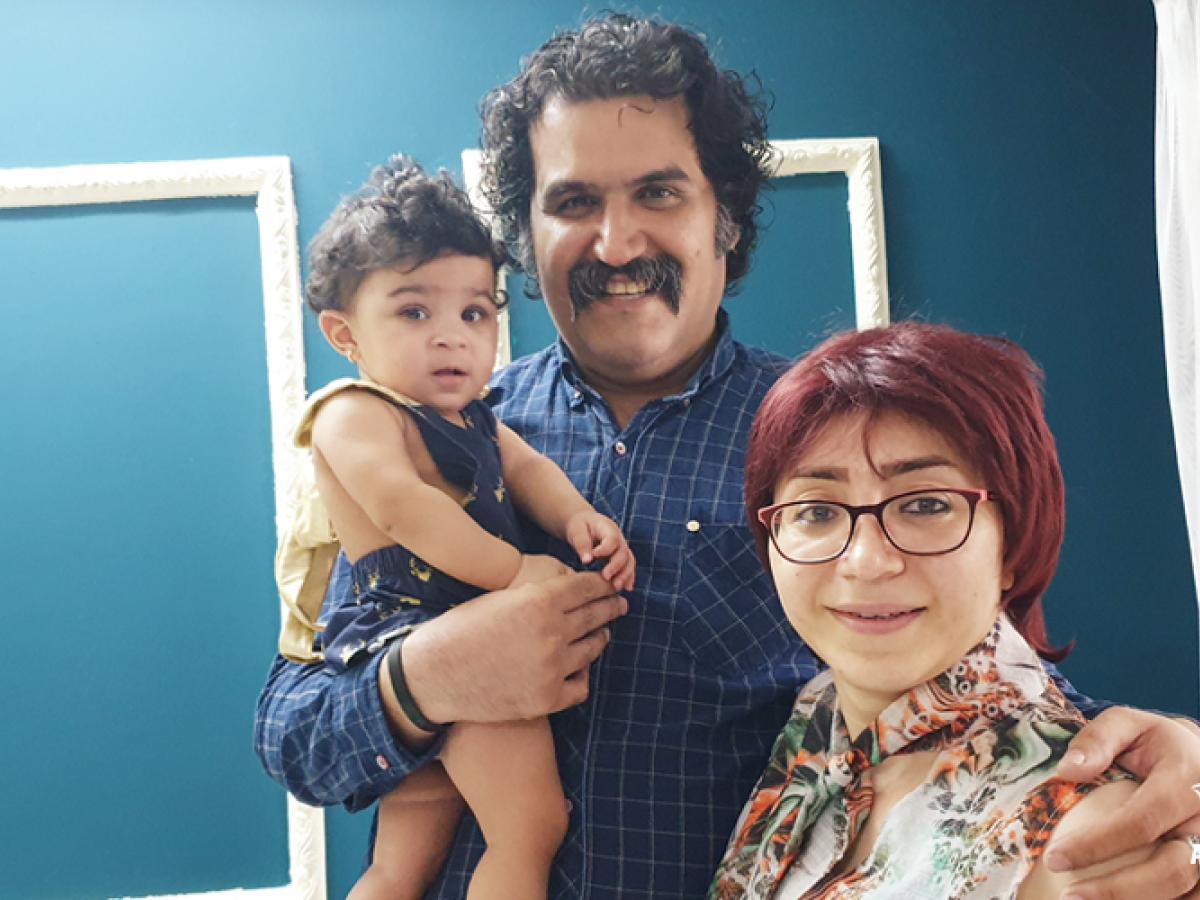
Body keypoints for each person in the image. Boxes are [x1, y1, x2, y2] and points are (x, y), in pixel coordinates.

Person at [255, 13, 1200, 898]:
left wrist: (1154, 752)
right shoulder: (434, 438)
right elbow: (293, 735)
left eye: (658, 193)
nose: (617, 242)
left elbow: (975, 672)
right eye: (573, 201)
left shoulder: (822, 450)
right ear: (526, 235)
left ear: (727, 218)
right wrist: (425, 682)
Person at [289, 156, 634, 899]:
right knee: (531, 827)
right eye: (415, 312)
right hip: (427, 636)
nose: (452, 337)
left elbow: (532, 472)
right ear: (344, 332)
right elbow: (403, 508)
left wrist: (579, 517)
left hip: (456, 635)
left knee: (404, 862)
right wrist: (516, 575)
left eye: (474, 313)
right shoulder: (352, 413)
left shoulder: (477, 415)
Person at [711, 323, 1149, 898]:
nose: (866, 562)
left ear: (1011, 545)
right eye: (816, 511)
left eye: (925, 504)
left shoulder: (1093, 839)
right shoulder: (818, 717)